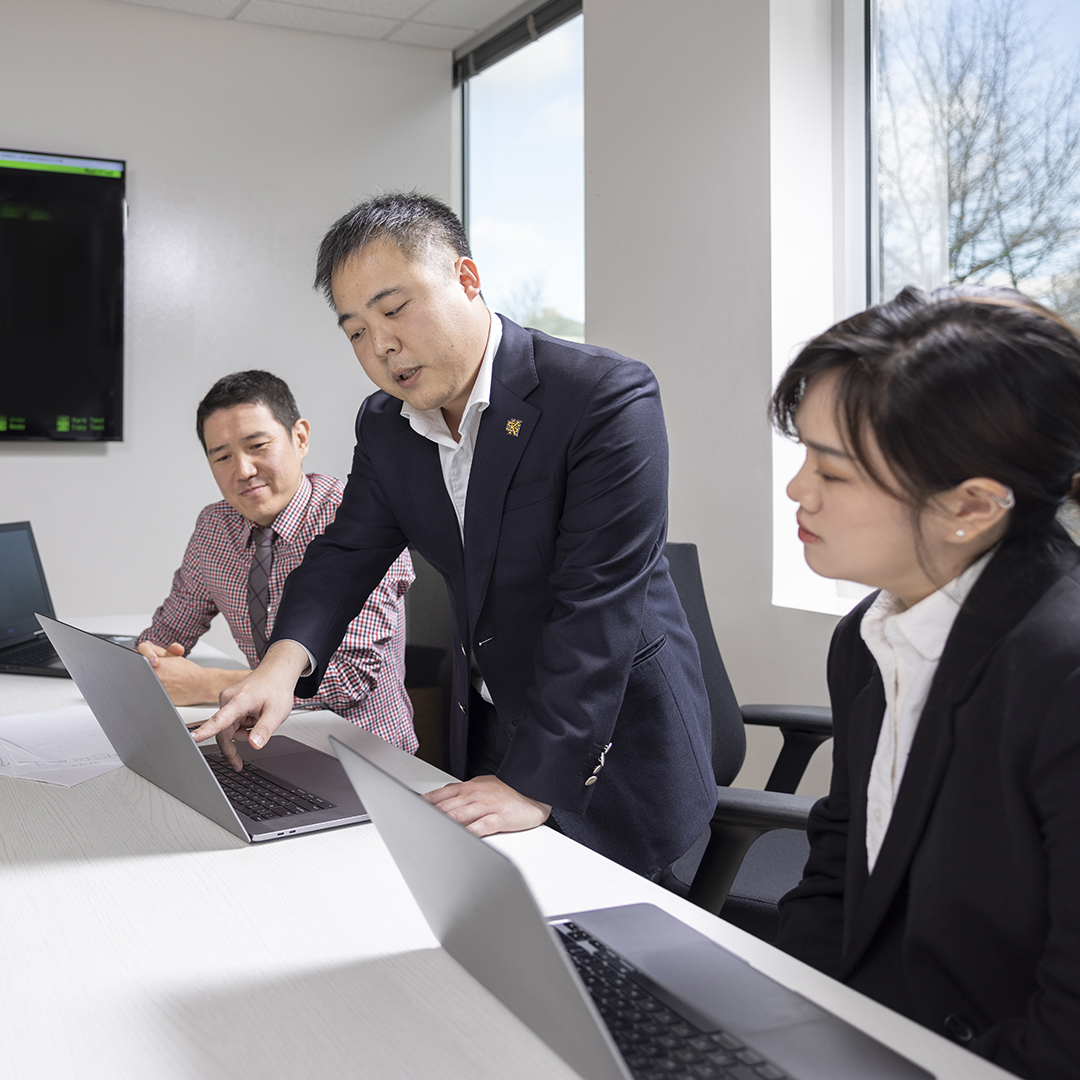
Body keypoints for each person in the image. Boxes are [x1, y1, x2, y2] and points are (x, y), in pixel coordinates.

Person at [192, 192, 716, 878]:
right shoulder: (387, 424)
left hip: (609, 746)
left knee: (604, 933)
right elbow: (346, 554)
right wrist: (279, 667)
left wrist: (535, 782)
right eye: (355, 331)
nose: (381, 346)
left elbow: (596, 606)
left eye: (393, 309)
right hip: (492, 732)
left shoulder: (602, 396)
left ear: (466, 279)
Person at [771, 283, 1080, 1080]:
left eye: (833, 472)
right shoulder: (867, 638)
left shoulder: (1063, 674)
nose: (798, 490)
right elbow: (839, 871)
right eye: (804, 455)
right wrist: (770, 1025)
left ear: (970, 505)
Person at [137, 370, 417, 753]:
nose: (243, 471)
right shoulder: (215, 526)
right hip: (263, 745)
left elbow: (347, 680)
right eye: (222, 456)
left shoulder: (360, 521)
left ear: (300, 438)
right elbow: (169, 630)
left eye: (257, 445)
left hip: (362, 751)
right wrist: (152, 660)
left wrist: (203, 684)